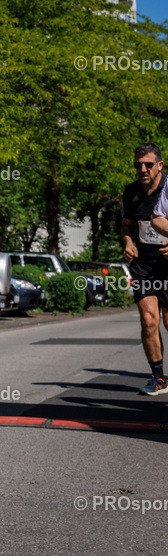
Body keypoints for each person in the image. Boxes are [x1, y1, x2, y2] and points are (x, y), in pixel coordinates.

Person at [127, 144, 168, 395]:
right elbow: (126, 226)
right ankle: (158, 378)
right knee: (148, 319)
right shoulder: (131, 192)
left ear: (160, 165)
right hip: (144, 266)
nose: (142, 169)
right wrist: (128, 242)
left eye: (148, 164)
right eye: (138, 165)